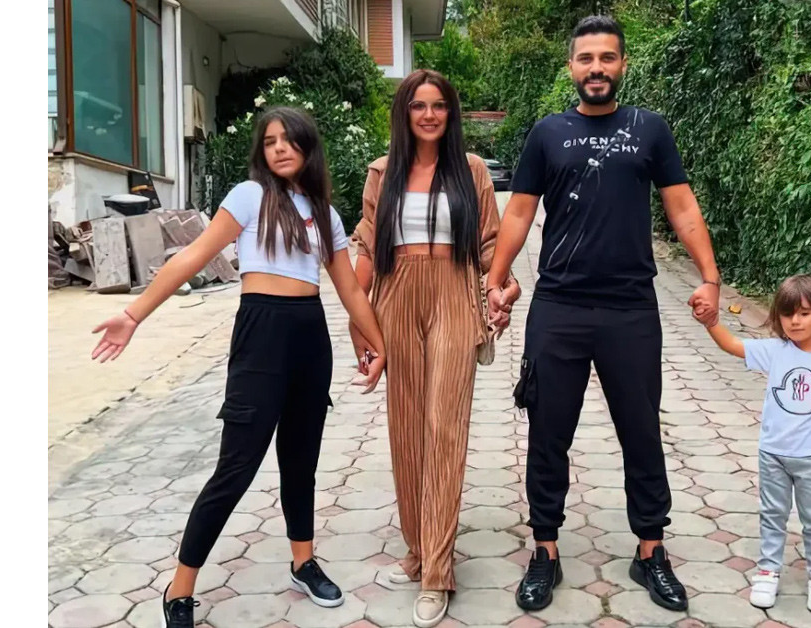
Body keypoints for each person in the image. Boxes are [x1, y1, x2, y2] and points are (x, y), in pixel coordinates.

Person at [89, 107, 387, 628]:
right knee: (236, 467)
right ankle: (180, 588)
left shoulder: (325, 214)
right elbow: (191, 256)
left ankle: (303, 562)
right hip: (261, 336)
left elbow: (350, 290)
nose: (279, 148)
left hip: (310, 337)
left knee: (301, 461)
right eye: (269, 141)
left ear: (308, 147)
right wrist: (133, 315)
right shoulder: (249, 197)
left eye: (288, 139)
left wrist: (379, 344)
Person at [484, 16, 722, 613]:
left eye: (607, 58)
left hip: (630, 308)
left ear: (622, 65)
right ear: (572, 67)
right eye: (586, 58)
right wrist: (495, 277)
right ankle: (545, 550)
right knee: (548, 433)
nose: (596, 68)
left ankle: (651, 551)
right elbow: (519, 212)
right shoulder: (547, 133)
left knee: (641, 432)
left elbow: (681, 206)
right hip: (558, 306)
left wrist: (709, 277)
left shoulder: (650, 129)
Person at [349, 69, 520, 628]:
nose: (428, 115)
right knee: (406, 429)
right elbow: (368, 248)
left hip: (452, 293)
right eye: (418, 105)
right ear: (404, 113)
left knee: (445, 428)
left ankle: (437, 572)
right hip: (396, 297)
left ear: (451, 113)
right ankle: (418, 548)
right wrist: (358, 320)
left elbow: (492, 244)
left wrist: (504, 287)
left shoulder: (471, 171)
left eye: (439, 105)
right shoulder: (383, 172)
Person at [698, 274, 811, 615]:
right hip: (773, 455)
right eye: (787, 314)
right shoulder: (775, 352)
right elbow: (732, 345)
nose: (795, 321)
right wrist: (712, 322)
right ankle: (768, 571)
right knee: (772, 515)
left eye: (804, 313)